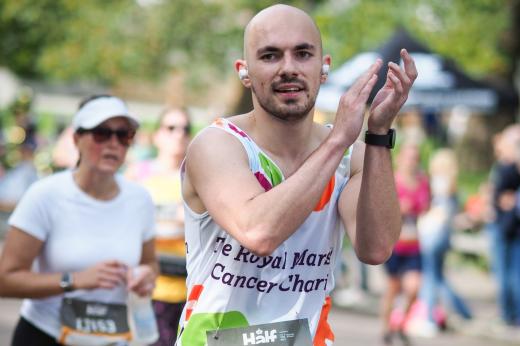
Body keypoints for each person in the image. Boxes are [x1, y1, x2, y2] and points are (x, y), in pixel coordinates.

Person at [176, 4, 417, 345]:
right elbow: (258, 232)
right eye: (270, 56)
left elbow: (375, 249)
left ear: (324, 67)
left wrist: (378, 133)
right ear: (244, 71)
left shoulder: (352, 155)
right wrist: (336, 142)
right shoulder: (218, 145)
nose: (288, 68)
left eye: (303, 54)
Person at [0, 94, 158, 346]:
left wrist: (146, 277)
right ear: (76, 139)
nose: (113, 143)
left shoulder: (140, 199)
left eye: (124, 134)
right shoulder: (45, 195)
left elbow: (149, 262)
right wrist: (74, 280)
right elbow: (5, 280)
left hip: (112, 338)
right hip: (46, 335)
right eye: (101, 133)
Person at [126, 107, 191, 345]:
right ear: (157, 135)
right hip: (148, 286)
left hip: (187, 287)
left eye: (185, 129)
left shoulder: (195, 176)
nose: (178, 134)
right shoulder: (138, 174)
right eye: (171, 128)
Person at [411, 148, 472, 337]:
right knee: (438, 277)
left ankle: (428, 318)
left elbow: (441, 212)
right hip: (444, 236)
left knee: (429, 277)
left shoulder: (440, 183)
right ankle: (464, 311)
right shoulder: (453, 185)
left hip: (434, 236)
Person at [381, 142, 429, 345]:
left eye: (414, 158)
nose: (411, 162)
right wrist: (399, 209)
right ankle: (386, 329)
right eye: (408, 157)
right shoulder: (392, 181)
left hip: (414, 246)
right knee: (393, 289)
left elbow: (426, 206)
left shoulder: (423, 182)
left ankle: (400, 324)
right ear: (400, 159)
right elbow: (380, 208)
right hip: (394, 245)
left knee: (414, 288)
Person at [488, 124, 520, 327]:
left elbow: (500, 198)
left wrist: (512, 200)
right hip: (508, 226)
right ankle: (511, 312)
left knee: (507, 273)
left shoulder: (507, 168)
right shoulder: (505, 167)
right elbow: (499, 197)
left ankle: (510, 313)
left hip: (507, 226)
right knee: (510, 273)